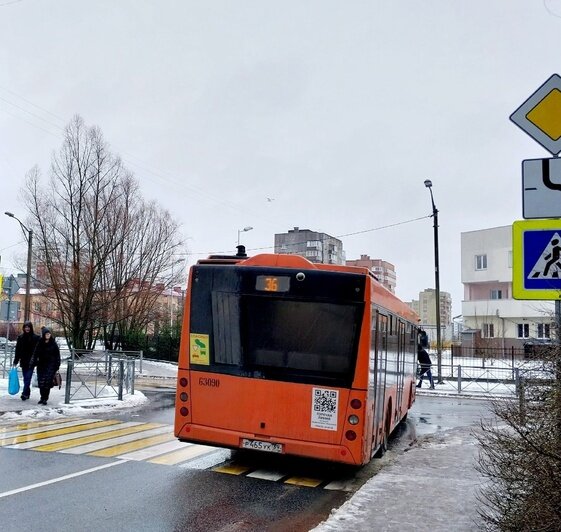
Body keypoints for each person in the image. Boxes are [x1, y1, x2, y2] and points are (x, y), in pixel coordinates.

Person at [30, 327, 61, 405]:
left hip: (51, 365)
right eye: (46, 334)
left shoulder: (53, 343)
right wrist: (33, 362)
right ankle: (42, 397)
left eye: (49, 334)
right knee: (41, 383)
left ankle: (45, 398)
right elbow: (35, 353)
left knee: (47, 383)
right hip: (41, 365)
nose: (48, 335)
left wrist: (57, 365)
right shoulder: (40, 343)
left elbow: (57, 355)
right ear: (44, 335)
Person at [12, 321, 41, 401]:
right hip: (23, 361)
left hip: (31, 361)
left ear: (31, 328)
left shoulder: (36, 338)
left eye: (28, 327)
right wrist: (15, 361)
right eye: (25, 327)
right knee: (25, 379)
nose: (27, 328)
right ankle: (27, 393)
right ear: (24, 328)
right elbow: (17, 351)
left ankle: (24, 394)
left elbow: (39, 350)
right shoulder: (20, 337)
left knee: (28, 378)